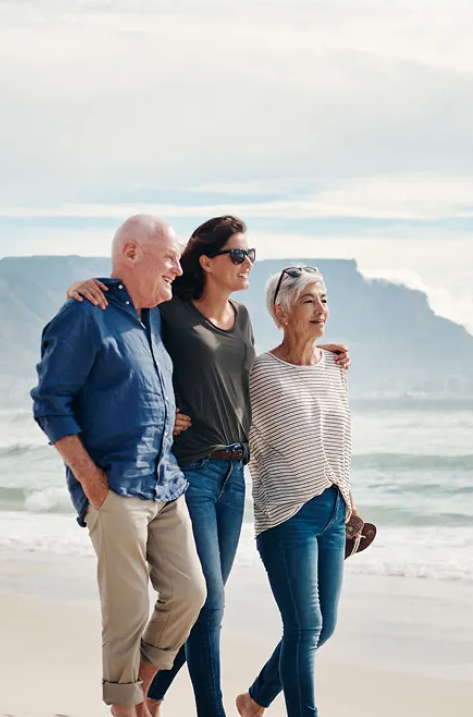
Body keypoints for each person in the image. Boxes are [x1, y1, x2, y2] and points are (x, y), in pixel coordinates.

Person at [66, 217, 348, 717]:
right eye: (239, 255)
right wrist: (82, 287)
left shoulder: (241, 318)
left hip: (233, 476)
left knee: (201, 604)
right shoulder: (169, 311)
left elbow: (259, 374)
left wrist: (314, 350)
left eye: (251, 255)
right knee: (209, 603)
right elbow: (125, 330)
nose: (248, 263)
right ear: (208, 261)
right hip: (189, 471)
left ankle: (150, 696)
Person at [31, 214, 207, 717]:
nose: (178, 266)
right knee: (127, 611)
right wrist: (91, 480)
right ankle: (125, 709)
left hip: (164, 482)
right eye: (170, 256)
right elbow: (50, 403)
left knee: (190, 594)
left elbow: (224, 319)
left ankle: (141, 690)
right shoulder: (85, 314)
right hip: (115, 487)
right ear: (131, 253)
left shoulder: (154, 311)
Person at [236, 265, 357, 717]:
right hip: (286, 512)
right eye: (308, 300)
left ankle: (253, 701)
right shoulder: (260, 372)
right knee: (304, 626)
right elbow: (220, 399)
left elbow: (338, 439)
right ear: (280, 311)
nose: (321, 309)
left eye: (324, 299)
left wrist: (348, 502)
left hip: (332, 510)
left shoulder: (335, 367)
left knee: (321, 629)